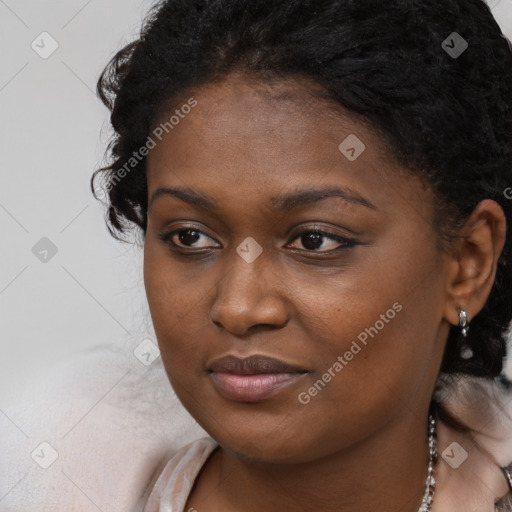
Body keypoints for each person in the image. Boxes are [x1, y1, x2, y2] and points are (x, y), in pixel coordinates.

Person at [91, 0, 512, 510]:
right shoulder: (62, 481)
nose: (239, 309)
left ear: (468, 264)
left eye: (315, 240)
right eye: (190, 237)